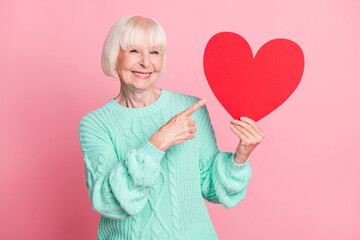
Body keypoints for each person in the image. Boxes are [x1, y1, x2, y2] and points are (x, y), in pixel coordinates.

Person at [78, 15, 265, 240]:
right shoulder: (95, 124)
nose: (146, 62)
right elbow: (107, 202)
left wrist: (241, 156)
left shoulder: (189, 107)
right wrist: (158, 142)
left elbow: (212, 187)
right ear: (114, 56)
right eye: (134, 51)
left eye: (154, 52)